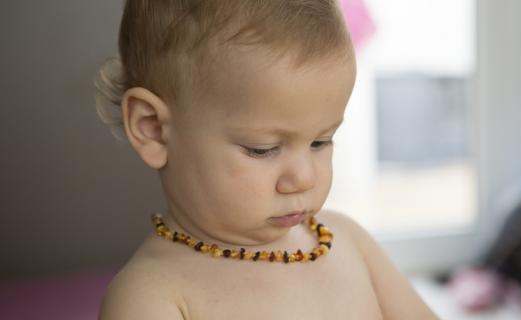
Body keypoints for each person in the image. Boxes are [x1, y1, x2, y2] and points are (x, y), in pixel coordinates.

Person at [95, 1, 438, 319]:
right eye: (262, 149)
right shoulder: (151, 296)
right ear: (153, 129)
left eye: (321, 141)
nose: (304, 178)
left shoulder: (347, 241)